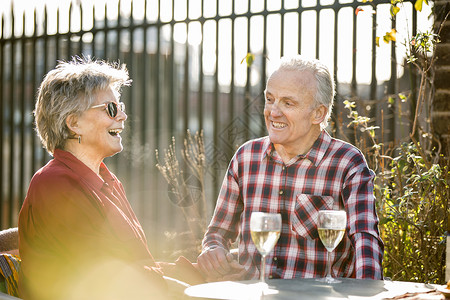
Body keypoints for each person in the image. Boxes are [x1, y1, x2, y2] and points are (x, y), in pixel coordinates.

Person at [18, 57, 204, 300]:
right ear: (74, 123)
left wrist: (202, 273)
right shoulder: (54, 183)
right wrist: (178, 287)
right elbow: (104, 275)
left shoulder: (107, 182)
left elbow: (136, 265)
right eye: (111, 109)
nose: (123, 116)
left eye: (121, 106)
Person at [197, 55, 384, 281]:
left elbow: (366, 239)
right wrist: (212, 252)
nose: (273, 112)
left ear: (318, 114)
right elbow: (217, 234)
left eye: (288, 103)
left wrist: (368, 293)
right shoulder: (245, 158)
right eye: (270, 99)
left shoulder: (347, 163)